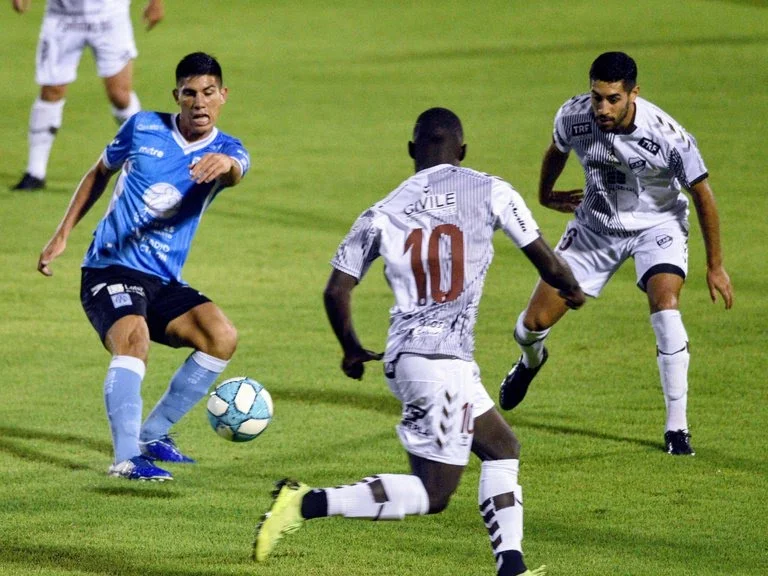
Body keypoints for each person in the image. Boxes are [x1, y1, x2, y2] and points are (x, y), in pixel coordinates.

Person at [253, 108, 585, 576]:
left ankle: (511, 565)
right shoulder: (492, 190)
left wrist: (350, 347)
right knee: (433, 493)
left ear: (411, 151)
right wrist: (571, 289)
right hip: (439, 364)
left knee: (501, 446)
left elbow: (336, 289)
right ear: (463, 150)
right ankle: (305, 503)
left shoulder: (381, 211)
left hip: (420, 358)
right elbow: (546, 262)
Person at [499, 52, 734, 456]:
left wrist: (716, 265)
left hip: (656, 227)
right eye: (596, 98)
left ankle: (677, 429)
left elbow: (702, 193)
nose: (602, 108)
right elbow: (556, 149)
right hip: (595, 228)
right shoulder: (573, 116)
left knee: (666, 307)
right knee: (531, 325)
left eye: (612, 99)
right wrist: (545, 194)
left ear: (633, 95)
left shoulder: (667, 136)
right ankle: (530, 362)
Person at [37, 52, 250, 481]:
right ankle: (125, 458)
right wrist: (63, 233)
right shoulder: (142, 127)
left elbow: (235, 171)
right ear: (177, 97)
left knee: (221, 337)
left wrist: (225, 166)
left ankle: (154, 435)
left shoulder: (229, 150)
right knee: (134, 341)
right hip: (109, 268)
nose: (199, 102)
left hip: (162, 279)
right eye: (189, 93)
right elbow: (99, 172)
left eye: (209, 92)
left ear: (223, 96)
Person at [11, 0, 165, 191]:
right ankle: (35, 172)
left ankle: (147, 160)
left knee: (120, 96)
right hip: (62, 16)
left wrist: (156, 3)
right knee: (51, 90)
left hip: (109, 14)